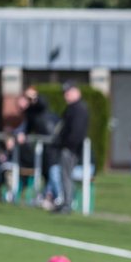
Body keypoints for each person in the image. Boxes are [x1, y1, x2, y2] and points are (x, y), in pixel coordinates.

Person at [53, 81, 90, 214]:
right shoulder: (71, 108)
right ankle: (65, 202)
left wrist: (67, 145)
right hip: (68, 148)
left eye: (68, 92)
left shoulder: (79, 109)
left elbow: (76, 132)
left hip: (71, 149)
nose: (65, 96)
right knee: (63, 176)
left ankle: (67, 204)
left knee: (66, 176)